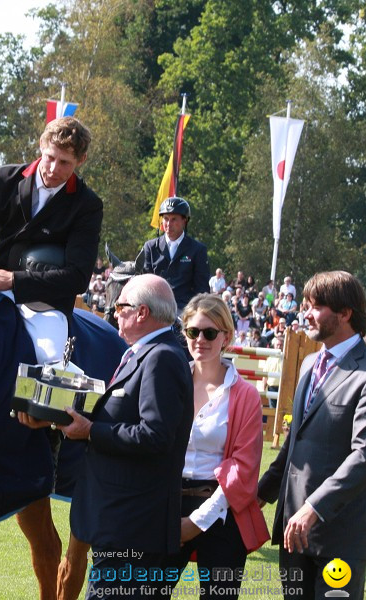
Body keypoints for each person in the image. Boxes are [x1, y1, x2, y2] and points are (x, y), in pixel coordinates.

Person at [257, 270, 366, 600]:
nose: (305, 312)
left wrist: (314, 508)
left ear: (344, 313)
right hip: (295, 528)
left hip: (341, 534)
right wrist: (259, 495)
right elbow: (296, 441)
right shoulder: (308, 364)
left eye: (315, 305)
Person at [57, 274, 194, 598]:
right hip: (121, 522)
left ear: (142, 312)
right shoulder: (143, 353)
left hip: (133, 527)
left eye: (121, 305)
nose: (114, 311)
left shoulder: (161, 357)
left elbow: (156, 435)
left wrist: (92, 432)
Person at [0, 116, 102, 363]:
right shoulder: (3, 179)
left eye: (65, 163)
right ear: (42, 145)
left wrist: (13, 280)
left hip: (47, 304)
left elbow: (77, 278)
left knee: (50, 360)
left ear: (81, 160)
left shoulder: (88, 205)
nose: (54, 169)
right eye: (50, 158)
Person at [161, 293, 269, 599]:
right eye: (193, 331)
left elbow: (243, 470)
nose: (200, 340)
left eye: (210, 333)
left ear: (227, 336)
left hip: (223, 512)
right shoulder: (169, 383)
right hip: (167, 506)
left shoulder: (246, 395)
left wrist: (196, 522)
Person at [141, 196, 210, 314]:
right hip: (155, 309)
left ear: (185, 221)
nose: (168, 224)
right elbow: (145, 284)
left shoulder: (198, 250)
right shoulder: (150, 247)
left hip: (185, 310)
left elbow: (202, 290)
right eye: (166, 219)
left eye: (174, 219)